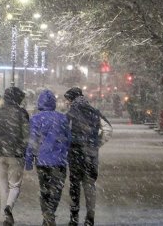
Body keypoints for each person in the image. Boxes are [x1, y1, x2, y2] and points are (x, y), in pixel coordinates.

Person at [64, 87, 112, 226]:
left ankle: (74, 217)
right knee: (90, 185)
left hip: (75, 154)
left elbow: (64, 132)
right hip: (90, 155)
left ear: (72, 99)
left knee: (74, 186)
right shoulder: (93, 111)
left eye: (68, 99)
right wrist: (96, 143)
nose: (67, 102)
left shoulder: (70, 114)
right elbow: (108, 128)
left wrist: (69, 145)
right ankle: (90, 217)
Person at [25, 89, 71, 226]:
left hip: (42, 160)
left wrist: (28, 159)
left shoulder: (35, 119)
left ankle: (47, 215)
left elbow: (32, 141)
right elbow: (68, 139)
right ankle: (50, 213)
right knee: (56, 190)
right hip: (59, 160)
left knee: (44, 189)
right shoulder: (62, 118)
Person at [0, 87, 30, 226]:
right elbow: (26, 134)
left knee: (3, 185)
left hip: (1, 153)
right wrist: (24, 148)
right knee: (15, 185)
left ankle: (4, 217)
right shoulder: (22, 113)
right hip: (16, 154)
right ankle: (8, 207)